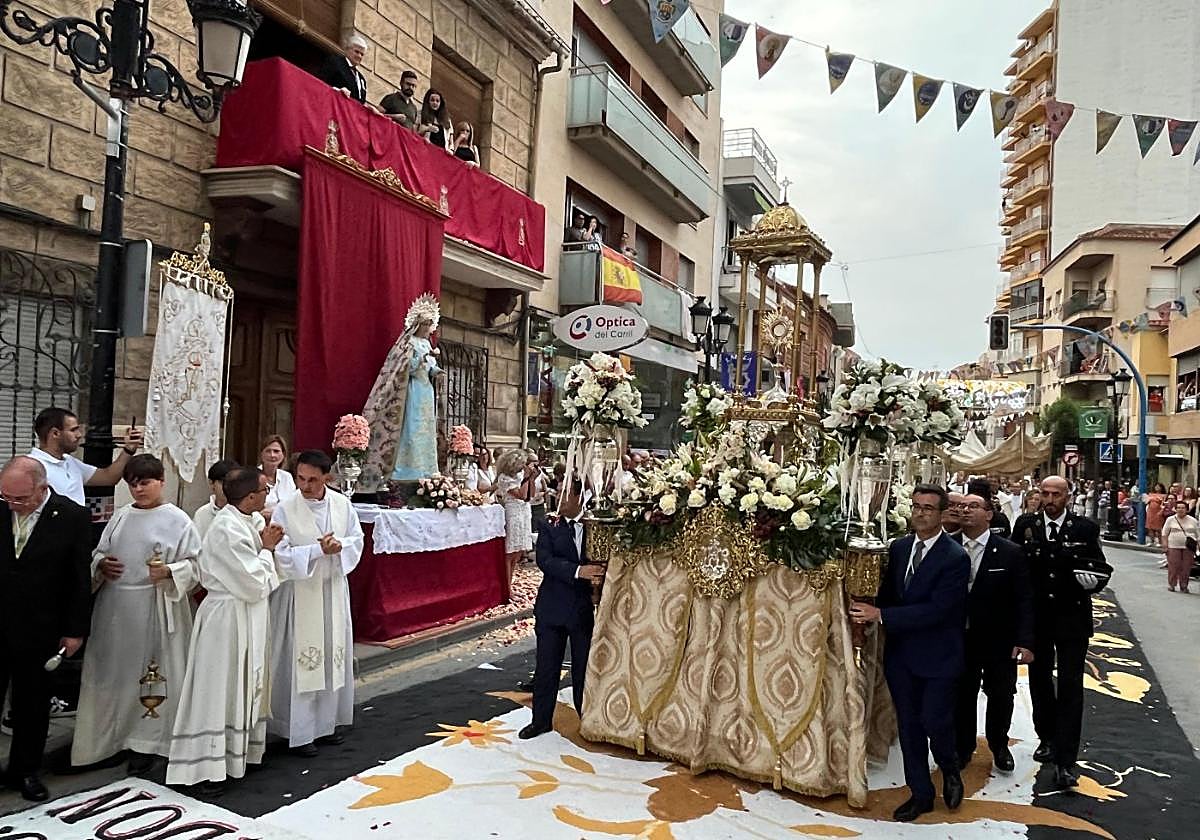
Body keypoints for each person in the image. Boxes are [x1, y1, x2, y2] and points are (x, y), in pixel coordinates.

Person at [71, 455, 200, 773]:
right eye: (133, 484)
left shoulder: (178, 520)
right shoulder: (121, 516)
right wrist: (101, 564)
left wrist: (170, 571)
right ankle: (113, 740)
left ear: (161, 482)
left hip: (157, 608)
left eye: (145, 482)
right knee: (114, 674)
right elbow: (101, 552)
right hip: (116, 610)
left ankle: (151, 743)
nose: (138, 489)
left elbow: (197, 565)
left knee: (154, 676)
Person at [850, 484, 968, 822]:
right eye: (916, 506)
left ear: (942, 514)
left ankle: (949, 766)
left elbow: (939, 610)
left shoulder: (955, 557)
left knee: (935, 720)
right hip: (901, 655)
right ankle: (921, 794)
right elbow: (889, 593)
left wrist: (881, 615)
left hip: (939, 656)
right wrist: (862, 601)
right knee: (909, 726)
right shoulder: (900, 548)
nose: (920, 513)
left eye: (928, 508)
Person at [166, 468, 282, 790]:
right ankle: (208, 766)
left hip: (245, 614)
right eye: (264, 489)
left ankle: (239, 754)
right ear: (250, 497)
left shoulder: (246, 520)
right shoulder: (226, 529)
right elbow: (254, 582)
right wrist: (267, 549)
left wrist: (266, 545)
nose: (268, 493)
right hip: (227, 618)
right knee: (219, 688)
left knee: (242, 684)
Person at [1011, 475, 1112, 790]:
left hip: (1071, 617)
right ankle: (1047, 737)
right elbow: (1016, 566)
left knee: (1070, 686)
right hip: (1037, 619)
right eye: (1045, 493)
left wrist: (1093, 583)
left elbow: (1098, 566)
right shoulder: (1026, 525)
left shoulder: (1084, 528)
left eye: (1056, 494)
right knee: (1039, 682)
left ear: (1068, 496)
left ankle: (1066, 759)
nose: (1050, 499)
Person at [0, 457, 91, 801]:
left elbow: (78, 578)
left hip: (41, 625)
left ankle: (25, 771)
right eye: (6, 497)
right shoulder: (3, 506)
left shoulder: (72, 517)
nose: (12, 505)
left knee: (33, 703)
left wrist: (75, 630)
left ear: (42, 489)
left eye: (20, 499)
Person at [269, 450, 363, 756]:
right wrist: (317, 551)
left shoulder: (342, 504)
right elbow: (280, 553)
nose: (305, 486)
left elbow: (356, 539)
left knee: (332, 657)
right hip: (300, 593)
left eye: (312, 480)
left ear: (327, 478)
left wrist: (339, 546)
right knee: (303, 663)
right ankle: (300, 732)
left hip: (332, 589)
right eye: (300, 478)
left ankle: (327, 725)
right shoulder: (286, 508)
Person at [953, 494, 1034, 774]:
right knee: (962, 693)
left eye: (973, 506)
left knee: (1000, 694)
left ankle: (999, 744)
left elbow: (1024, 598)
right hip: (959, 637)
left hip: (999, 638)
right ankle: (963, 746)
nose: (966, 510)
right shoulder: (948, 546)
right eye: (962, 506)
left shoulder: (1010, 552)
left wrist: (1025, 640)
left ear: (989, 514)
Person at [518, 486, 604, 740]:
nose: (559, 498)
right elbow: (545, 560)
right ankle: (541, 721)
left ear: (579, 497)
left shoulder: (595, 525)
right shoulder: (549, 525)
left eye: (566, 493)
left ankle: (587, 719)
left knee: (583, 669)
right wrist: (579, 571)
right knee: (546, 667)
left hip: (582, 609)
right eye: (559, 492)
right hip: (552, 608)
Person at [361, 294, 442, 491]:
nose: (428, 329)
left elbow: (430, 367)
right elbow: (406, 367)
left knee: (426, 430)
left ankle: (425, 469)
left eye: (430, 325)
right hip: (411, 391)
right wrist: (423, 358)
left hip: (426, 390)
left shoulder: (426, 344)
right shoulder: (408, 342)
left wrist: (437, 371)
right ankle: (406, 469)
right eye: (425, 324)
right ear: (417, 325)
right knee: (411, 428)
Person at [28, 406, 143, 506]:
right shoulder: (31, 467)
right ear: (55, 433)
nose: (79, 435)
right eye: (73, 430)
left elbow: (108, 477)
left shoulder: (69, 461)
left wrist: (128, 450)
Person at [495, 449, 534, 592]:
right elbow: (521, 495)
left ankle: (509, 584)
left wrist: (531, 479)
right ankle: (507, 588)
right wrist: (526, 478)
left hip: (524, 512)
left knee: (518, 552)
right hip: (513, 513)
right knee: (510, 552)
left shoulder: (520, 476)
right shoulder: (504, 478)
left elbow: (530, 495)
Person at [193, 458, 239, 539]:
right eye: (222, 482)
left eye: (233, 483)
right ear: (211, 483)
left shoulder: (247, 513)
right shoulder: (201, 514)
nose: (227, 487)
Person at [318, 33, 370, 105]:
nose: (359, 56)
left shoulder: (361, 78)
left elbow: (360, 101)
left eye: (362, 54)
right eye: (356, 52)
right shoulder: (335, 62)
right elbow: (321, 83)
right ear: (347, 49)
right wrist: (337, 91)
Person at [1161, 500, 1198, 593]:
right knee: (1173, 566)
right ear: (1175, 509)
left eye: (1183, 508)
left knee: (1186, 567)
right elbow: (1164, 533)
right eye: (1178, 508)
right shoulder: (1170, 519)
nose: (1181, 510)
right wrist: (1165, 546)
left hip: (1188, 547)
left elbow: (1198, 535)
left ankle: (1184, 586)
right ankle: (1172, 584)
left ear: (1187, 509)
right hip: (1173, 546)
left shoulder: (1193, 521)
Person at [1145, 483, 1167, 547]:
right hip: (1150, 511)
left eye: (1159, 487)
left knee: (1158, 528)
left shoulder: (1164, 495)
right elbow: (1146, 501)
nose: (1157, 488)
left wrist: (1161, 511)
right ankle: (1151, 541)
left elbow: (1163, 504)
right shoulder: (1150, 494)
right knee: (1150, 527)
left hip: (1158, 512)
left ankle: (1160, 542)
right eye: (1156, 486)